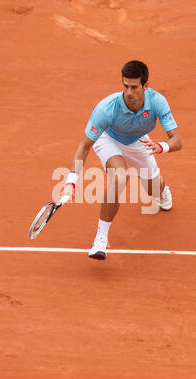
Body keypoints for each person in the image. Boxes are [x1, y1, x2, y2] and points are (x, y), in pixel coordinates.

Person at [63, 60, 182, 260]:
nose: (128, 92)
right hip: (109, 138)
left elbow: (177, 140)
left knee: (153, 189)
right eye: (125, 86)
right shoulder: (106, 109)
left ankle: (162, 191)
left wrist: (161, 147)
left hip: (139, 141)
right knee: (119, 177)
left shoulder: (158, 102)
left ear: (145, 86)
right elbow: (84, 146)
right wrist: (71, 181)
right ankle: (100, 239)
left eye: (134, 87)